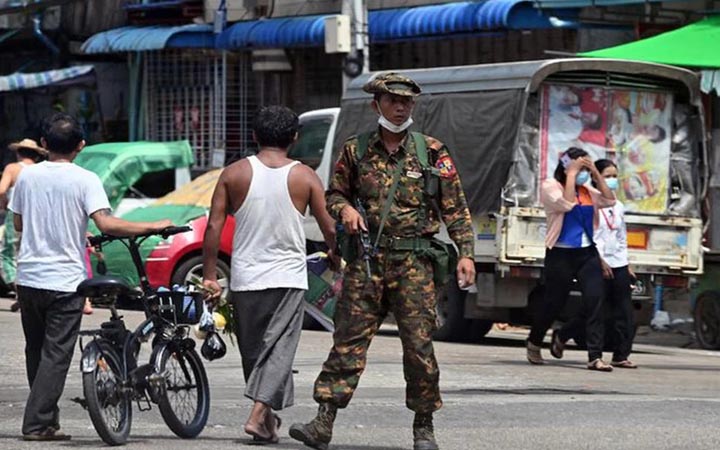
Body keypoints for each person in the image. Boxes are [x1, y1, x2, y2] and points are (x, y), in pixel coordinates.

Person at [289, 73, 476, 450]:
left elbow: (455, 208)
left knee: (420, 347)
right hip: (368, 263)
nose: (401, 107)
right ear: (377, 105)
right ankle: (323, 422)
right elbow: (334, 194)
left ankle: (424, 428)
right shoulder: (355, 150)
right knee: (348, 342)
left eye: (407, 101)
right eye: (393, 100)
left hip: (414, 264)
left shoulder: (432, 152)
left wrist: (466, 253)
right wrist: (344, 212)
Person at [10, 113, 172, 441]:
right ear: (81, 146)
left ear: (43, 145)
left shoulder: (27, 177)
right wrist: (153, 226)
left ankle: (46, 420)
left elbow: (18, 224)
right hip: (64, 282)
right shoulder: (85, 179)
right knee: (56, 355)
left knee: (37, 351)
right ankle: (37, 423)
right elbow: (108, 224)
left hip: (28, 277)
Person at [202, 105, 336, 444]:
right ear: (294, 137)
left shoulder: (234, 173)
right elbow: (327, 226)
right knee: (279, 351)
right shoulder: (305, 176)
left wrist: (209, 276)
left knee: (255, 352)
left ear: (254, 136)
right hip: (288, 278)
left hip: (246, 277)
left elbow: (214, 225)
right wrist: (336, 252)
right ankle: (257, 414)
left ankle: (267, 420)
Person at [526, 147, 615, 371]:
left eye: (584, 168)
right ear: (566, 167)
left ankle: (595, 356)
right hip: (561, 253)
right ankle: (535, 341)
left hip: (586, 253)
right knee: (553, 302)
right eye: (578, 167)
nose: (581, 172)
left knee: (596, 300)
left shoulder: (586, 191)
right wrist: (572, 175)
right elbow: (566, 205)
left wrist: (595, 173)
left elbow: (609, 200)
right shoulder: (550, 187)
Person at [551, 159, 637, 369]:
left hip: (618, 262)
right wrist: (599, 260)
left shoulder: (618, 206)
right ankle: (581, 346)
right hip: (596, 260)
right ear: (596, 177)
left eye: (615, 176)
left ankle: (620, 354)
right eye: (607, 175)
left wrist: (626, 263)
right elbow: (590, 235)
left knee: (625, 311)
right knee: (594, 309)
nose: (612, 180)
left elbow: (621, 235)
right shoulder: (591, 202)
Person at [0, 139, 47, 311]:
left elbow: (1, 189)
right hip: (37, 215)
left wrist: (3, 203)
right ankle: (30, 290)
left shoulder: (13, 168)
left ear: (19, 152)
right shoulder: (40, 170)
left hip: (16, 213)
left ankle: (21, 290)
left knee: (7, 254)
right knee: (29, 253)